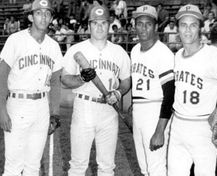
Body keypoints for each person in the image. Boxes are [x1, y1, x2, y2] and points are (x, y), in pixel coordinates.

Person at [60, 4, 131, 176]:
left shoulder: (119, 52)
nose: (99, 27)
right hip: (84, 108)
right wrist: (81, 78)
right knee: (78, 164)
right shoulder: (77, 50)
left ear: (109, 24)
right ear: (89, 25)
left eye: (103, 23)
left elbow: (126, 81)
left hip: (109, 111)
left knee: (107, 166)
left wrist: (118, 93)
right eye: (95, 23)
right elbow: (64, 80)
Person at [168, 4, 217, 176]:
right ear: (178, 29)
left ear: (200, 28)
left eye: (193, 24)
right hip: (178, 127)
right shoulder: (177, 55)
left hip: (203, 128)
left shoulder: (212, 55)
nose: (188, 30)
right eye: (183, 25)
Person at [0, 0, 63, 175]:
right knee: (13, 166)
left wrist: (55, 113)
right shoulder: (16, 40)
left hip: (42, 105)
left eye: (47, 13)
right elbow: (2, 74)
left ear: (51, 18)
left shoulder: (54, 46)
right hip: (18, 103)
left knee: (33, 165)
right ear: (30, 16)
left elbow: (56, 81)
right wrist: (1, 109)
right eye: (38, 13)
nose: (43, 17)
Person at [130, 5, 175, 176]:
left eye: (148, 24)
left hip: (155, 111)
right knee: (144, 167)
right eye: (139, 23)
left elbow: (170, 95)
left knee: (156, 167)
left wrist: (159, 130)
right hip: (140, 111)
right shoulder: (134, 50)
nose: (143, 28)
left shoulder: (163, 53)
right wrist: (133, 106)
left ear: (156, 27)